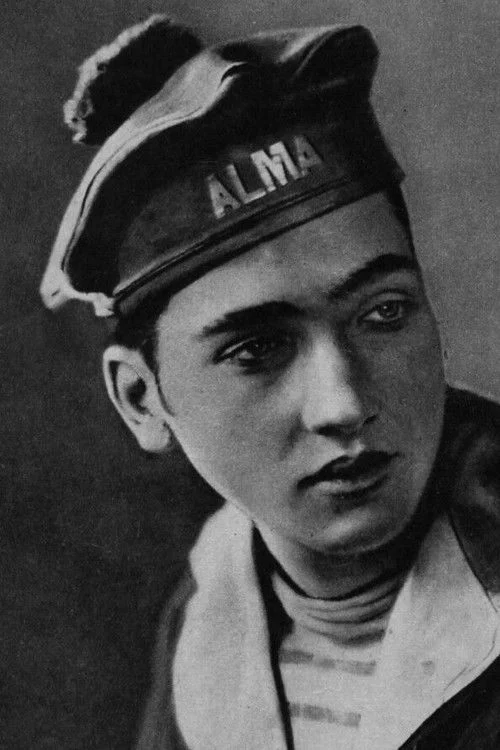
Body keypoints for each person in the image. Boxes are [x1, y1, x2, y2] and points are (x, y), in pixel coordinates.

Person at [40, 14, 500, 750]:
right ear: (142, 400)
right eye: (258, 349)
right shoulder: (205, 617)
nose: (344, 403)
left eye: (384, 312)